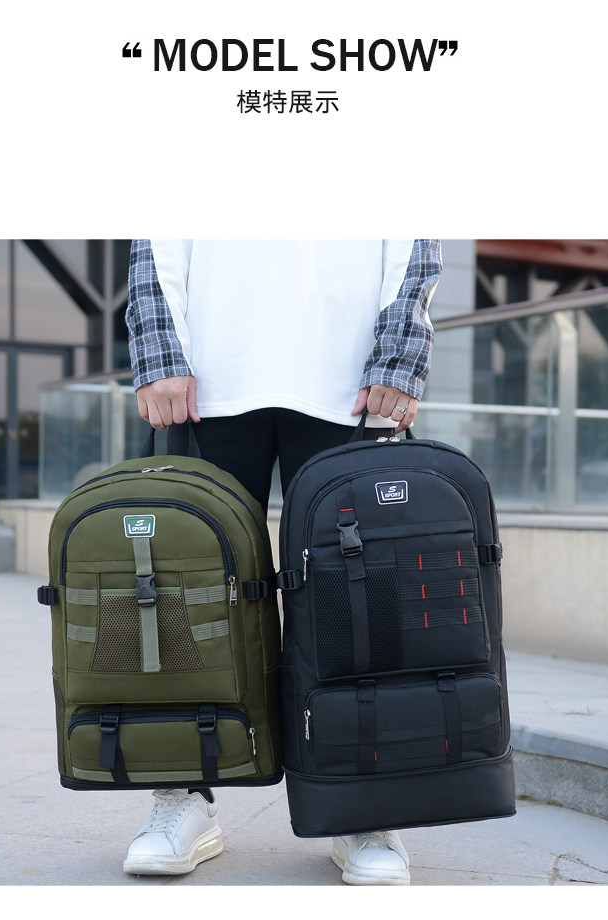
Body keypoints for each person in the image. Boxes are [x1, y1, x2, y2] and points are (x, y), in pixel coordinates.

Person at [124, 238, 442, 885]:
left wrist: (400, 357)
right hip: (208, 381)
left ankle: (364, 804)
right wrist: (158, 355)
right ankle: (182, 793)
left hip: (350, 382)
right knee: (186, 602)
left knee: (357, 607)